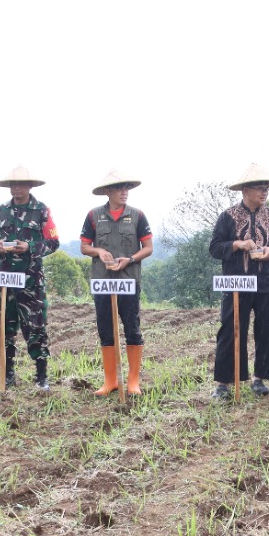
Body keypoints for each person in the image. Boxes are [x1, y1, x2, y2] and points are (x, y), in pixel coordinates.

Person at [209, 163, 269, 401]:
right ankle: (224, 383)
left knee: (268, 330)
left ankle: (260, 378)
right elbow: (214, 247)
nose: (264, 192)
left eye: (266, 188)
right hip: (236, 283)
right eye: (259, 188)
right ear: (245, 190)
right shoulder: (227, 217)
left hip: (268, 283)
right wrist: (238, 244)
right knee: (231, 329)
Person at [0, 165, 61, 391]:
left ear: (29, 186)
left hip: (31, 280)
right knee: (3, 328)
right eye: (12, 184)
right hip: (5, 280)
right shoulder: (0, 212)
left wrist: (30, 247)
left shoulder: (41, 211)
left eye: (21, 184)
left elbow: (53, 242)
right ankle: (6, 375)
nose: (16, 188)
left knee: (35, 327)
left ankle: (41, 376)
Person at [80, 170, 154, 397]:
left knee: (132, 328)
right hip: (102, 282)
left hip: (128, 281)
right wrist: (99, 250)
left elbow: (148, 248)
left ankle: (133, 382)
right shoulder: (93, 216)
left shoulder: (138, 215)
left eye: (127, 188)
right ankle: (110, 381)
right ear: (107, 192)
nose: (124, 192)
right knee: (105, 331)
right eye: (119, 188)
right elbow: (84, 247)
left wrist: (129, 260)